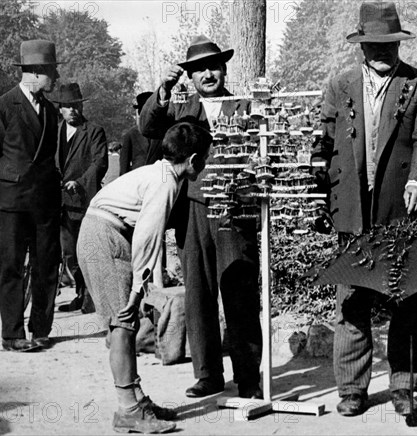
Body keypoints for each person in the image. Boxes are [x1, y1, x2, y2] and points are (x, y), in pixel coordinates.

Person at [312, 2, 417, 418]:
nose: (381, 51)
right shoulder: (340, 83)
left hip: (400, 205)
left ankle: (404, 386)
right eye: (373, 44)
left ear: (398, 43)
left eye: (388, 44)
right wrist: (319, 186)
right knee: (351, 296)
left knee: (406, 297)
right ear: (360, 45)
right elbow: (325, 137)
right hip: (352, 207)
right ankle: (352, 389)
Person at [140, 35, 263, 399]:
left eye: (213, 67)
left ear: (224, 70)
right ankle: (208, 374)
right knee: (198, 293)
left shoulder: (245, 107)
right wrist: (163, 87)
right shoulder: (181, 111)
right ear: (190, 77)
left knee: (239, 292)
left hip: (234, 210)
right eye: (198, 70)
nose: (207, 74)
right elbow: (148, 126)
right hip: (192, 210)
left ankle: (248, 378)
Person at [76, 122, 212, 434]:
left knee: (126, 324)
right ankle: (128, 411)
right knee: (122, 325)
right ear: (192, 160)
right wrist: (139, 291)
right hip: (103, 237)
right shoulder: (164, 183)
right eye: (204, 157)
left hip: (109, 235)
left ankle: (137, 401)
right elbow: (147, 240)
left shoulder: (162, 173)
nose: (204, 163)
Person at [0, 39, 62, 352]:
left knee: (46, 267)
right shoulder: (1, 106)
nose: (57, 78)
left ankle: (40, 329)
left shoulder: (51, 112)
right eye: (53, 71)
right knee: (12, 267)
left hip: (45, 203)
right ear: (37, 72)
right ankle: (12, 335)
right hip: (12, 202)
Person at [54, 83, 108, 313]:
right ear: (61, 109)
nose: (72, 110)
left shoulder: (93, 131)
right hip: (58, 202)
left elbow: (100, 162)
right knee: (69, 254)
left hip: (83, 200)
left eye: (75, 106)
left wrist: (81, 183)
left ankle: (89, 296)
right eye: (67, 106)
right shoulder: (55, 131)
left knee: (86, 249)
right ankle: (80, 292)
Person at [120, 92, 155, 175]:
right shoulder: (131, 135)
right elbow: (124, 165)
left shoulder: (163, 133)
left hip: (158, 181)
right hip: (138, 180)